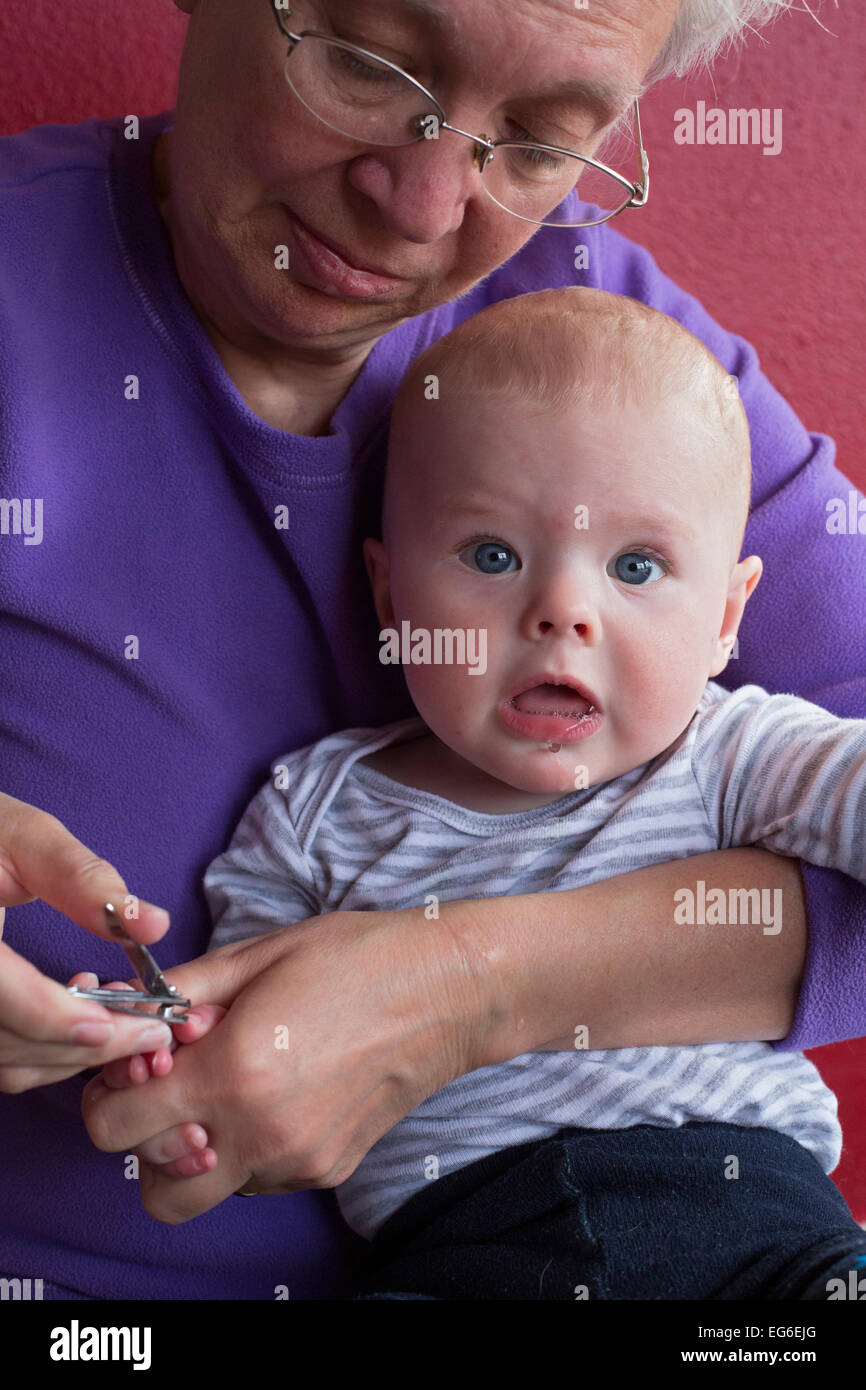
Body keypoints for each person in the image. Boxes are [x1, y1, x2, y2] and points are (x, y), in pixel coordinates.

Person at [1, 0, 863, 1301]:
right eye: (366, 62)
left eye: (534, 141)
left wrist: (468, 986)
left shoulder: (620, 358)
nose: (416, 203)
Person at [117, 289, 866, 1300]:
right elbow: (255, 1046)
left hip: (756, 1242)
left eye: (635, 566)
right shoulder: (312, 810)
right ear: (391, 596)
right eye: (491, 556)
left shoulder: (732, 751)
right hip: (464, 1253)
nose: (561, 611)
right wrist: (169, 1073)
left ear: (726, 615)